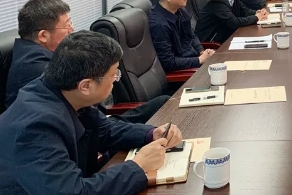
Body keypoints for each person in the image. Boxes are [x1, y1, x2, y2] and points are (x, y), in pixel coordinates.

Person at [0, 31, 183, 195]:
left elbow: (104, 129)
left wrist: (151, 133)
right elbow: (73, 192)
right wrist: (138, 166)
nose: (116, 80)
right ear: (86, 86)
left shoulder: (61, 89)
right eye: (114, 75)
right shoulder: (35, 129)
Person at [5, 0, 168, 123]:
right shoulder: (36, 69)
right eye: (66, 25)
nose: (72, 29)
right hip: (84, 134)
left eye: (71, 22)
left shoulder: (42, 55)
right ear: (43, 35)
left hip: (94, 123)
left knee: (162, 104)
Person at [148, 0, 215, 72]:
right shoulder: (158, 25)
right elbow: (168, 63)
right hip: (183, 73)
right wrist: (199, 60)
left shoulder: (180, 10)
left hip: (193, 62)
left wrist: (201, 51)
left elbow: (191, 35)